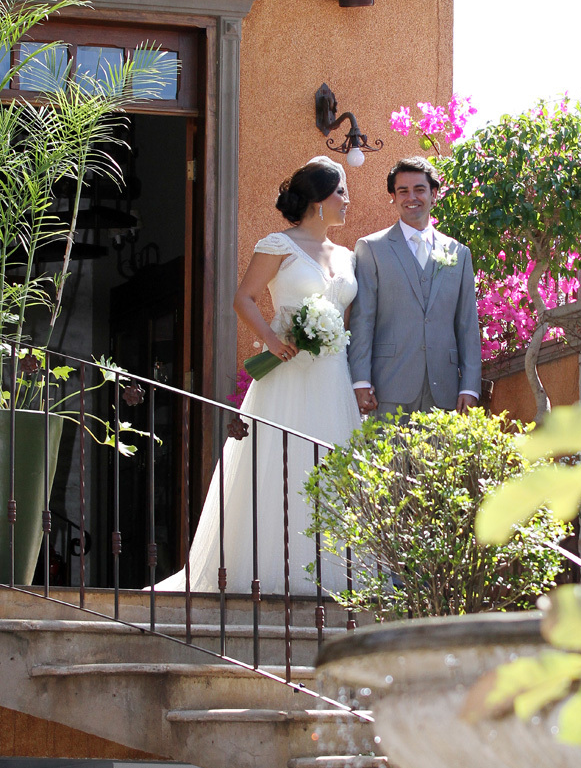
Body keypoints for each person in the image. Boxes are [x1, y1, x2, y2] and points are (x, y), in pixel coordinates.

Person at [157, 157, 360, 595]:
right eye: (341, 192)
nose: (348, 201)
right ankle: (266, 573)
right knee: (279, 467)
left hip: (331, 377)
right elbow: (244, 298)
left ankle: (331, 576)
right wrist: (270, 337)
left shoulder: (347, 256)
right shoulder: (277, 245)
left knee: (331, 468)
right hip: (285, 375)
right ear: (319, 200)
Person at [348, 155, 482, 418]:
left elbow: (467, 324)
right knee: (386, 460)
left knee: (439, 460)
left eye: (419, 189)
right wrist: (360, 380)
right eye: (403, 191)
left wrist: (470, 386)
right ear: (393, 197)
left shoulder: (459, 252)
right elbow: (362, 319)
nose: (412, 197)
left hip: (445, 390)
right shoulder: (372, 248)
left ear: (433, 194)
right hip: (387, 387)